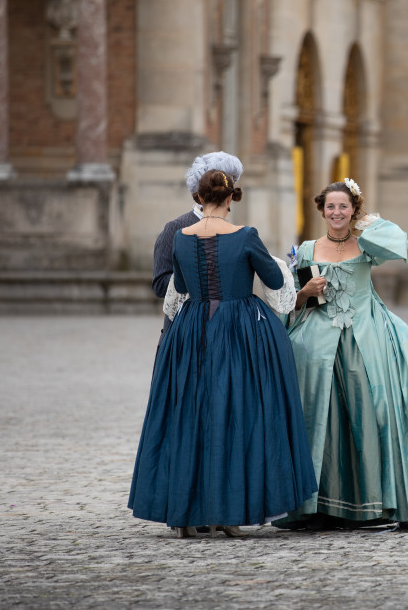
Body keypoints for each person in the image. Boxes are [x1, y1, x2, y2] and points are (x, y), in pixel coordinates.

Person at [129, 169, 317, 537]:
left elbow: (180, 287)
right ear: (231, 199)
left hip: (192, 330)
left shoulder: (181, 237)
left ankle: (185, 516)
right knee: (236, 412)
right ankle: (228, 514)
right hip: (238, 331)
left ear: (199, 198)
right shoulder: (245, 236)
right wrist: (281, 266)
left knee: (190, 414)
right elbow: (275, 283)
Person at [275, 178, 408, 531]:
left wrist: (368, 223)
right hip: (318, 343)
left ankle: (371, 504)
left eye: (343, 206)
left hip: (366, 336)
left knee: (370, 412)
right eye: (330, 206)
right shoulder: (307, 249)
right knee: (319, 417)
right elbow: (291, 302)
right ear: (321, 210)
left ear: (353, 209)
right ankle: (317, 506)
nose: (336, 212)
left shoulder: (367, 245)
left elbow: (398, 243)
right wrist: (306, 290)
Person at [151, 152, 244, 343]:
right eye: (221, 182)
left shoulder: (235, 231)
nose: (228, 189)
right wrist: (198, 277)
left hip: (223, 331)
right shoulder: (177, 227)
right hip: (184, 331)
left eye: (231, 183)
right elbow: (160, 284)